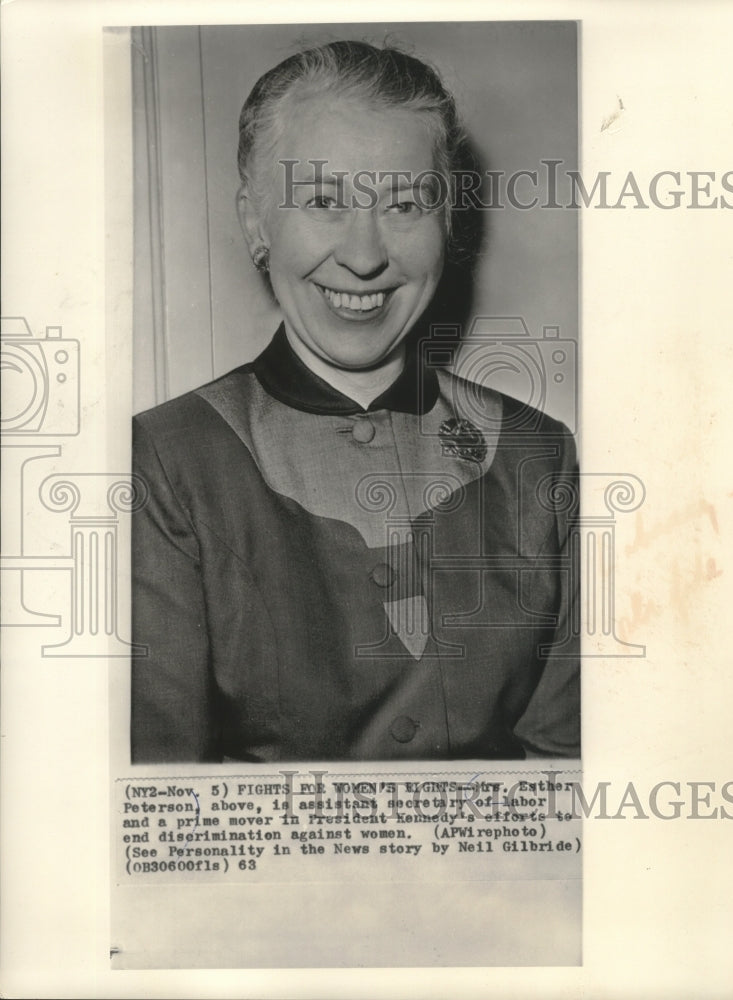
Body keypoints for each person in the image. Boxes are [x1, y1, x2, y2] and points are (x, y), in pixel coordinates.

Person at [131, 40, 579, 763]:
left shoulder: (539, 452)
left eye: (404, 204)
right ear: (255, 222)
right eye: (322, 202)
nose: (365, 257)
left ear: (448, 222)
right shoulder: (166, 460)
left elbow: (569, 773)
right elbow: (156, 793)